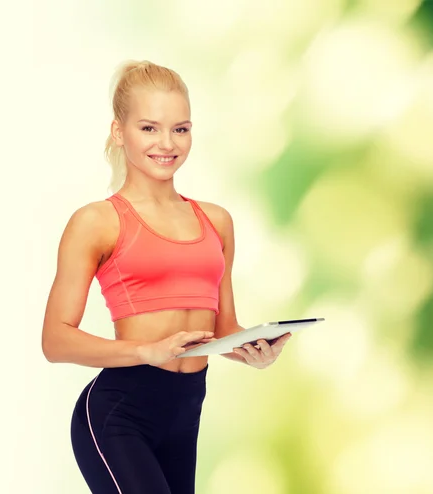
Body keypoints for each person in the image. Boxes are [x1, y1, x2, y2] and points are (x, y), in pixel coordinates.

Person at [41, 60, 292, 494]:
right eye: (149, 128)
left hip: (185, 412)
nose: (167, 143)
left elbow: (222, 329)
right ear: (119, 132)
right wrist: (147, 350)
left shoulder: (217, 221)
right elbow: (55, 340)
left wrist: (253, 349)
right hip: (119, 413)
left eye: (180, 129)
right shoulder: (97, 222)